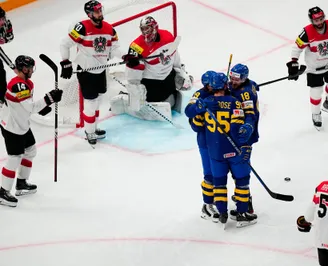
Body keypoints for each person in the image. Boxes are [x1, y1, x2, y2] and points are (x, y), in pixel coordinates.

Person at [192, 72, 257, 228]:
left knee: (217, 181)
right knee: (240, 180)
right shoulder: (234, 102)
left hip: (213, 147)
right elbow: (237, 127)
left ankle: (222, 212)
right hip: (232, 148)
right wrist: (244, 143)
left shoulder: (204, 101)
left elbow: (195, 125)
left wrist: (200, 111)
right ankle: (232, 210)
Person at [0, 56, 63, 207]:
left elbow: (27, 107)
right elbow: (30, 107)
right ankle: (2, 192)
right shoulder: (18, 86)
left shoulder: (28, 83)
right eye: (29, 68)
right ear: (23, 69)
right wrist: (49, 99)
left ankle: (21, 184)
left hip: (22, 124)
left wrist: (46, 105)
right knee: (14, 158)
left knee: (30, 150)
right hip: (12, 126)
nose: (31, 71)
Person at [60, 0, 122, 145]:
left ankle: (94, 127)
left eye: (100, 10)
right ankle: (89, 131)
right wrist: (65, 61)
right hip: (86, 70)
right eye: (96, 11)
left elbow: (114, 48)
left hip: (101, 69)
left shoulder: (109, 29)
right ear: (89, 14)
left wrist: (126, 56)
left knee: (98, 99)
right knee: (90, 102)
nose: (100, 13)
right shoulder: (81, 28)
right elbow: (65, 43)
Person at [109, 16, 193, 122]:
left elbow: (175, 55)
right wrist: (134, 88)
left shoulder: (167, 36)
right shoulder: (137, 46)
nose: (145, 32)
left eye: (147, 28)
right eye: (143, 29)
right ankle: (125, 99)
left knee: (171, 99)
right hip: (151, 81)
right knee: (145, 101)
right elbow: (132, 72)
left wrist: (181, 72)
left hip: (168, 76)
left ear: (155, 28)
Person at [184, 70, 218, 222]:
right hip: (205, 140)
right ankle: (207, 204)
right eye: (212, 85)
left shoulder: (221, 90)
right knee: (209, 173)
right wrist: (200, 106)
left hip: (221, 140)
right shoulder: (199, 95)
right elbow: (188, 111)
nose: (216, 86)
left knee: (221, 173)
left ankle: (219, 199)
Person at [228, 63, 260, 219]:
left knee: (241, 173)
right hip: (235, 134)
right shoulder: (247, 85)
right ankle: (242, 199)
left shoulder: (246, 93)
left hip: (244, 136)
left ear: (244, 78)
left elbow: (250, 116)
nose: (232, 82)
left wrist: (247, 127)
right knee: (237, 171)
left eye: (236, 79)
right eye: (231, 78)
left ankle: (246, 205)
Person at [0, 6, 17, 107]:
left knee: (1, 72)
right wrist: (12, 66)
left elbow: (10, 36)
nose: (3, 21)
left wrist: (5, 40)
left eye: (3, 18)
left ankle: (1, 96)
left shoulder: (7, 23)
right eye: (0, 19)